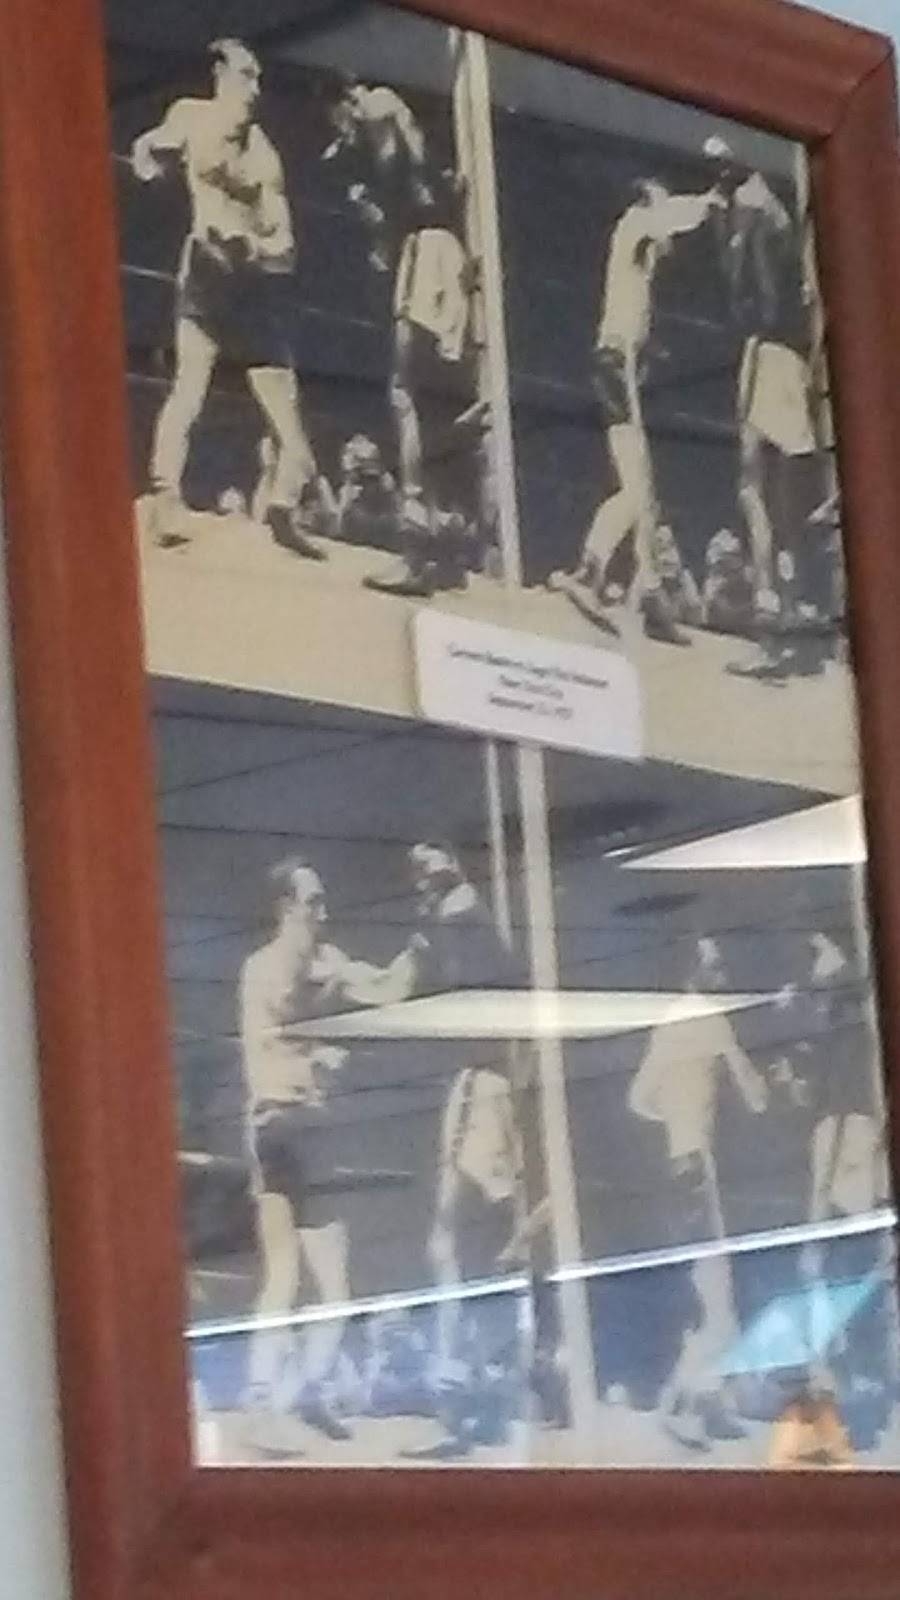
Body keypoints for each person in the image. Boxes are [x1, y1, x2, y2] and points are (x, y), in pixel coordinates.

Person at [240, 858, 422, 1453]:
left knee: (336, 1286)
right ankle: (262, 1401)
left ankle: (305, 1392)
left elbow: (384, 988)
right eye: (312, 901)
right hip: (278, 1126)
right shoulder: (266, 968)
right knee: (285, 1274)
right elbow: (287, 1021)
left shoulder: (328, 960)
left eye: (322, 900)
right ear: (285, 907)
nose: (324, 911)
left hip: (317, 1132)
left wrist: (417, 949)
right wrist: (330, 1040)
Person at [131, 38, 324, 559]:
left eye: (258, 79)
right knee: (188, 390)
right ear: (220, 75)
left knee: (292, 427)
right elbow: (148, 148)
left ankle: (282, 506)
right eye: (244, 76)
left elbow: (285, 245)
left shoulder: (264, 156)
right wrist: (152, 167)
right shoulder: (191, 117)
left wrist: (255, 249)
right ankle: (165, 495)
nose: (253, 90)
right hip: (206, 281)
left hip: (252, 291)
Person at [549, 178, 717, 644]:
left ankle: (649, 594)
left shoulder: (638, 251)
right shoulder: (636, 222)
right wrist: (706, 202)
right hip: (615, 363)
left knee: (646, 491)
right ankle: (589, 573)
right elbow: (671, 218)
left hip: (623, 364)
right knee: (636, 489)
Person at [400, 841, 526, 1459]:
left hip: (482, 1085)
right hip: (474, 1084)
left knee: (477, 1238)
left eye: (430, 867)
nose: (423, 880)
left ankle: (476, 1386)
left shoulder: (459, 920)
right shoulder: (459, 926)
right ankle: (471, 1386)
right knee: (457, 1241)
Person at [628, 936, 768, 1450]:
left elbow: (638, 1098)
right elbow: (754, 1095)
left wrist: (677, 1120)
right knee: (714, 1292)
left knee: (704, 1286)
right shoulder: (711, 1016)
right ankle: (680, 1403)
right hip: (700, 1163)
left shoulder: (668, 1021)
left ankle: (709, 1404)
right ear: (696, 970)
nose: (723, 972)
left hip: (677, 1160)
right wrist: (760, 1091)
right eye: (716, 964)